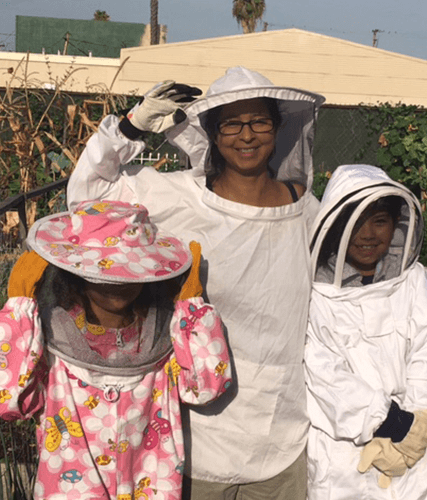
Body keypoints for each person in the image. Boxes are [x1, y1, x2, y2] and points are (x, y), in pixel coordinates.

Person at [67, 67, 325, 498]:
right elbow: (88, 205)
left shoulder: (308, 211)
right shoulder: (175, 197)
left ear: (278, 127)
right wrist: (131, 127)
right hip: (197, 438)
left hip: (281, 437)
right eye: (231, 123)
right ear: (213, 132)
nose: (246, 135)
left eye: (259, 121)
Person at [0, 200, 231, 499]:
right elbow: (8, 399)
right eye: (103, 272)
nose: (116, 282)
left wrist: (192, 308)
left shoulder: (165, 336)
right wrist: (18, 312)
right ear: (74, 274)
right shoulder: (51, 343)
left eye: (126, 271)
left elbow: (207, 386)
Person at [305, 164, 427, 500]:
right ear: (337, 227)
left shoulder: (412, 281)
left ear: (397, 226)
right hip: (345, 456)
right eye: (356, 222)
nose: (368, 234)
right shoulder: (315, 293)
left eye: (380, 221)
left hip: (414, 453)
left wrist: (416, 421)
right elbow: (320, 370)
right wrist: (386, 422)